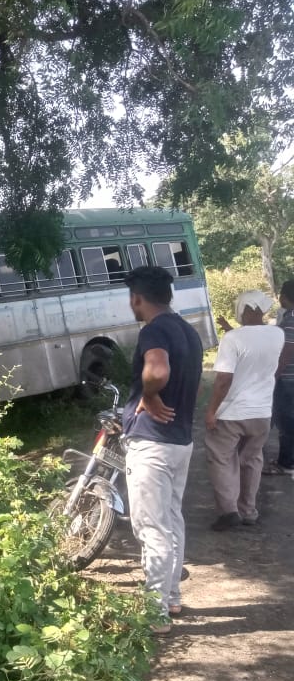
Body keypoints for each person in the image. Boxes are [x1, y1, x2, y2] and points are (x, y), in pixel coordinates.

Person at [121, 266, 204, 634]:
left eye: (131, 299)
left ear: (137, 298)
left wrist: (150, 395)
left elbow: (156, 369)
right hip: (180, 441)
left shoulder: (153, 329)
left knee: (151, 526)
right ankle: (171, 598)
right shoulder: (188, 330)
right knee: (171, 520)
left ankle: (153, 613)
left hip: (152, 442)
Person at [204, 291, 285, 530]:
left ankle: (228, 511)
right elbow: (253, 345)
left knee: (221, 458)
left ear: (246, 309)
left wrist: (211, 411)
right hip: (261, 412)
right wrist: (231, 329)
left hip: (232, 413)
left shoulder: (233, 339)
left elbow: (223, 380)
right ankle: (248, 511)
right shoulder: (277, 334)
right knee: (251, 460)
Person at [264, 279, 294, 475]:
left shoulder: (291, 320)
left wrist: (273, 376)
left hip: (288, 380)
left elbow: (286, 353)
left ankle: (287, 463)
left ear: (285, 297)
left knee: (287, 421)